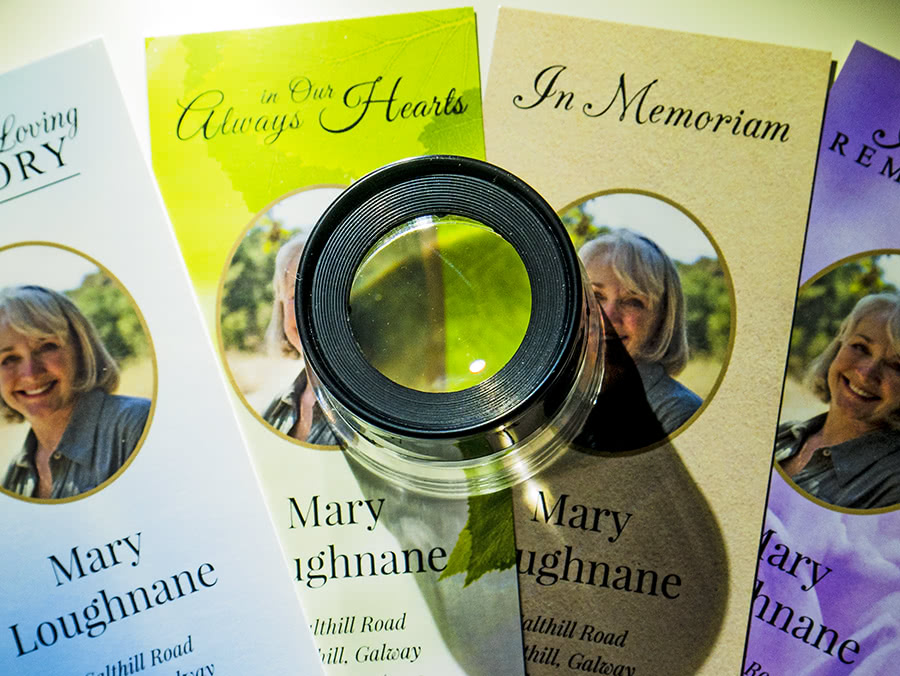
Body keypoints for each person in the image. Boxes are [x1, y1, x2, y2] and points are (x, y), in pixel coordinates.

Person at [1, 285, 150, 499]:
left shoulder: (137, 427)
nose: (31, 374)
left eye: (46, 347)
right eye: (9, 359)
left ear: (80, 349)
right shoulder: (14, 476)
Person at [776, 293, 900, 509]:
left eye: (896, 366)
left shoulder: (893, 484)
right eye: (861, 347)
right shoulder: (783, 434)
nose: (866, 373)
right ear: (838, 347)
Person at [579, 229, 701, 436]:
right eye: (596, 295)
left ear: (662, 320)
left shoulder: (679, 414)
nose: (607, 316)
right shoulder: (553, 394)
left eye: (632, 301)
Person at [261, 235, 338, 446]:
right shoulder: (275, 408)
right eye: (296, 296)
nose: (309, 311)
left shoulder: (373, 408)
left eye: (323, 293)